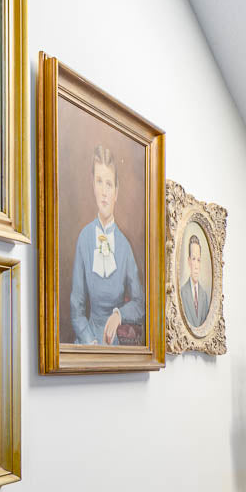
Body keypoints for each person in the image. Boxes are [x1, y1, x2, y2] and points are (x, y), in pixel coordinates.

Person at [69, 145, 144, 344]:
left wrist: (119, 315)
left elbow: (140, 303)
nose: (104, 192)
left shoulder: (124, 247)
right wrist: (89, 341)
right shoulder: (84, 238)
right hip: (87, 341)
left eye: (109, 184)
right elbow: (76, 308)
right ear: (92, 185)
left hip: (115, 346)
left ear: (116, 192)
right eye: (99, 182)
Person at [179, 234, 210, 326]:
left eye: (198, 260)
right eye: (193, 259)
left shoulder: (204, 295)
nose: (196, 266)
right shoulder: (182, 293)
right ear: (189, 261)